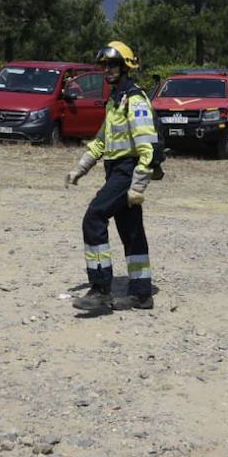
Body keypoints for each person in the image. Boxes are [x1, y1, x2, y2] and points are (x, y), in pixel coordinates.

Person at [65, 41, 159, 312]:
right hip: (116, 170)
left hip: (127, 172)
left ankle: (100, 289)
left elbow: (148, 147)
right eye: (105, 65)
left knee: (94, 218)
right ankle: (141, 294)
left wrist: (138, 184)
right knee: (131, 232)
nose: (108, 70)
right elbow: (102, 141)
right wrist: (80, 168)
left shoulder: (135, 99)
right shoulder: (116, 99)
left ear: (126, 66)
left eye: (114, 65)